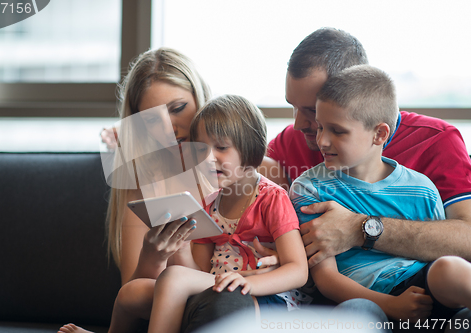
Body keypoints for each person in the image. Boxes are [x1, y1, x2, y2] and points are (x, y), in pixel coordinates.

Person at [59, 48, 261, 333]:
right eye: (152, 120)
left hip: (233, 288)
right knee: (140, 291)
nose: (170, 129)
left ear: (199, 98)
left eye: (178, 108)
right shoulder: (141, 181)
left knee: (218, 300)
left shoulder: (237, 159)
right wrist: (153, 256)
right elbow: (133, 292)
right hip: (170, 301)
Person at [262, 27, 471, 269]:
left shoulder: (435, 141)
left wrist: (361, 229)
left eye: (311, 110)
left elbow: (466, 239)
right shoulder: (293, 139)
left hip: (421, 292)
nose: (298, 124)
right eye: (293, 107)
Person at [290, 64, 471, 332]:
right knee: (357, 313)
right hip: (368, 298)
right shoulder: (309, 188)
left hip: (423, 292)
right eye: (319, 128)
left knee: (448, 268)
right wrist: (391, 305)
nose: (322, 141)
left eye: (337, 131)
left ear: (379, 134)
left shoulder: (421, 189)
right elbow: (326, 278)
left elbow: (433, 255)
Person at [147, 94, 308, 333]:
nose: (208, 158)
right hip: (217, 289)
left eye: (221, 148)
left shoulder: (272, 198)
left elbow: (298, 271)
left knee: (172, 278)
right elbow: (199, 273)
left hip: (268, 298)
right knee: (132, 293)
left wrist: (249, 282)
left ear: (251, 150)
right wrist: (180, 247)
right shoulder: (209, 204)